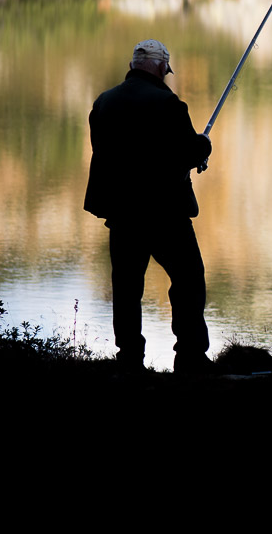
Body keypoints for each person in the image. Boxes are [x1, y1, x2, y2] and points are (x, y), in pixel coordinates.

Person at [84, 39, 214, 373]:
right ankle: (190, 358)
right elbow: (187, 154)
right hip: (165, 214)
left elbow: (104, 152)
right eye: (166, 70)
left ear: (132, 66)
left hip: (122, 214)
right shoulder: (169, 104)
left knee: (127, 289)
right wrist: (202, 145)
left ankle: (129, 360)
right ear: (159, 67)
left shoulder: (103, 103)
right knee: (188, 280)